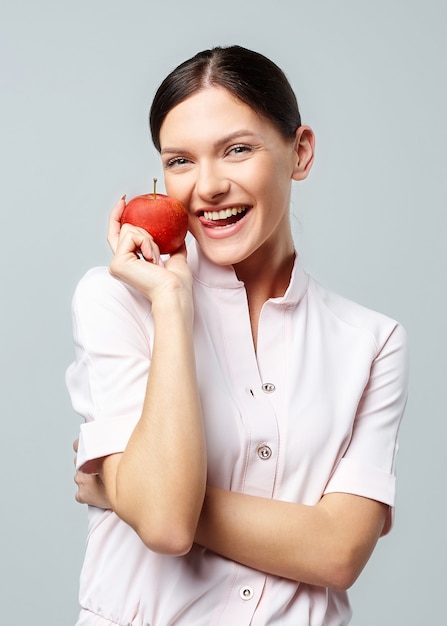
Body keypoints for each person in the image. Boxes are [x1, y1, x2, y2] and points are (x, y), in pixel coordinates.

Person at [66, 45, 409, 626]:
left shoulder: (371, 341)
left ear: (299, 152)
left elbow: (339, 552)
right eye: (180, 161)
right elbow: (168, 531)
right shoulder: (118, 301)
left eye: (238, 150)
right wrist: (172, 305)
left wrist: (131, 493)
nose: (208, 187)